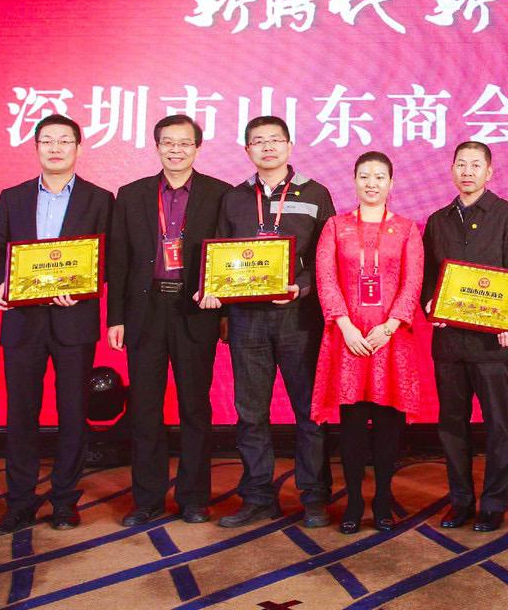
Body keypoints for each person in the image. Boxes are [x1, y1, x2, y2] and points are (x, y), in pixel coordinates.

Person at [201, 116, 335, 529]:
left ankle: (314, 498)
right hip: (247, 320)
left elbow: (327, 258)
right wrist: (221, 306)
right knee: (251, 413)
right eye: (258, 141)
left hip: (299, 318)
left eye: (275, 140)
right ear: (247, 150)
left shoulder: (316, 194)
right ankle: (258, 497)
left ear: (290, 146)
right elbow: (221, 257)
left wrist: (301, 287)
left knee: (309, 412)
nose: (268, 147)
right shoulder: (234, 198)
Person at [0, 114, 114, 534]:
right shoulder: (13, 197)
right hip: (22, 321)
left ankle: (63, 502)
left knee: (73, 413)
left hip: (73, 319)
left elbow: (109, 257)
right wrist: (2, 283)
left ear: (78, 148)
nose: (55, 148)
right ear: (36, 147)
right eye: (47, 141)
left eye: (64, 140)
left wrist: (85, 288)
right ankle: (20, 503)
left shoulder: (100, 199)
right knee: (21, 413)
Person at [107, 115, 230, 526]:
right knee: (145, 408)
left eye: (184, 143)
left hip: (195, 311)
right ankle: (147, 499)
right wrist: (116, 317)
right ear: (157, 146)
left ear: (198, 147)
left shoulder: (220, 194)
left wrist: (224, 310)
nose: (176, 150)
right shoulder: (132, 194)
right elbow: (118, 260)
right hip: (145, 312)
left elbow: (228, 255)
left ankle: (194, 498)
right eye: (168, 143)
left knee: (195, 407)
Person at [312, 151, 424, 533]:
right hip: (349, 340)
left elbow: (413, 282)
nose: (372, 183)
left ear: (391, 183)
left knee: (389, 426)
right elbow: (326, 279)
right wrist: (345, 327)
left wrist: (389, 326)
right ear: (354, 180)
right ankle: (354, 501)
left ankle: (382, 500)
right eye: (364, 176)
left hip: (391, 340)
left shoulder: (407, 229)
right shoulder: (335, 227)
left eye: (379, 177)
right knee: (353, 427)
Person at [421, 141, 508, 533]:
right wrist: (430, 304)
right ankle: (461, 502)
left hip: (492, 345)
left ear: (489, 171)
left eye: (476, 165)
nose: (468, 172)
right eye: (461, 165)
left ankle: (494, 504)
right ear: (452, 170)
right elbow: (428, 278)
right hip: (450, 344)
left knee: (498, 426)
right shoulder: (437, 221)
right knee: (452, 426)